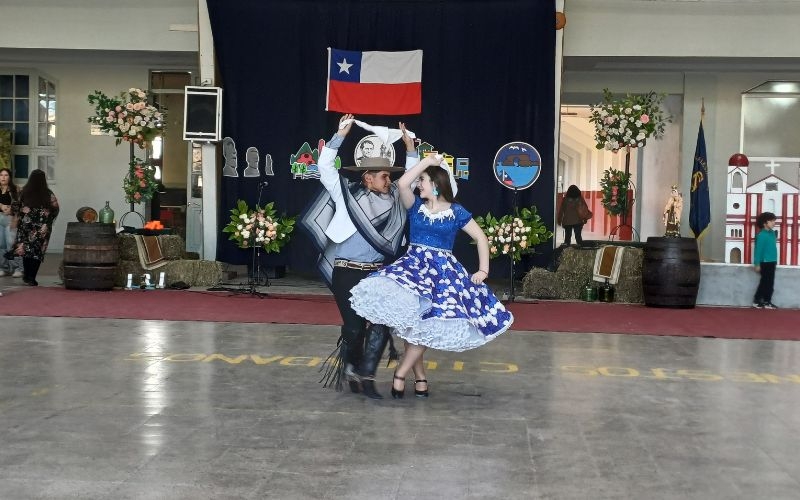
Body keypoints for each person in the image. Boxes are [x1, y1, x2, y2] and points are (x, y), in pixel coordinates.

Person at [349, 154, 514, 399]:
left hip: (443, 275)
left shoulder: (456, 211)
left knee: (426, 324)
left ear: (436, 184)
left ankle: (401, 373)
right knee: (414, 325)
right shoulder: (415, 206)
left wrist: (483, 270)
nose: (418, 184)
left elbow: (481, 238)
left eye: (423, 181)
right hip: (414, 268)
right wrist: (427, 163)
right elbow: (403, 184)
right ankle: (421, 378)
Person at [300, 114, 418, 399]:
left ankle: (367, 376)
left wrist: (410, 149)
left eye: (390, 175)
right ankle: (352, 367)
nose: (389, 179)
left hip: (377, 272)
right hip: (347, 271)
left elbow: (411, 182)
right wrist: (339, 135)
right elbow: (325, 167)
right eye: (384, 175)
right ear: (367, 178)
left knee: (379, 325)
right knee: (353, 329)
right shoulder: (346, 195)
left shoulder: (395, 198)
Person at [11, 169, 59, 286]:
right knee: (37, 252)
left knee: (26, 251)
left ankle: (27, 276)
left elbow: (15, 207)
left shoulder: (23, 192)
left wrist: (20, 217)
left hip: (25, 227)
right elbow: (56, 209)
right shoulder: (48, 193)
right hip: (42, 229)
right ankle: (32, 277)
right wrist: (47, 222)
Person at [752, 211, 778, 309]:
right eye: (771, 221)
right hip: (765, 262)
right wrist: (757, 264)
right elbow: (758, 251)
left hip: (772, 262)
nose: (774, 223)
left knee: (770, 282)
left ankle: (767, 301)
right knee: (765, 282)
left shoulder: (772, 233)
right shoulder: (761, 235)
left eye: (774, 221)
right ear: (764, 223)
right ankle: (757, 300)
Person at [0, 167, 23, 277]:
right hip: (0, 218)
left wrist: (12, 211)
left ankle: (18, 268)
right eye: (1, 175)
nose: (3, 177)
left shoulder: (16, 189)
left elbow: (21, 205)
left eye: (6, 175)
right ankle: (4, 268)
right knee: (1, 244)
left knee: (11, 244)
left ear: (10, 177)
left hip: (11, 219)